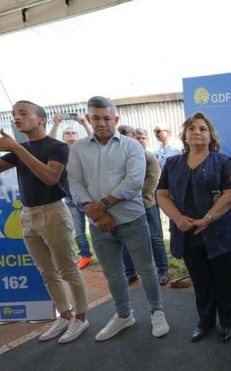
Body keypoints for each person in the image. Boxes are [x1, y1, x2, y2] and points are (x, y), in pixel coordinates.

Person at [0, 100, 89, 343]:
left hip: (53, 211)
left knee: (67, 268)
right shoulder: (21, 148)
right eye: (14, 114)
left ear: (41, 119)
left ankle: (81, 317)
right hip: (27, 214)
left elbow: (50, 178)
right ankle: (65, 316)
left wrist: (16, 148)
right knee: (46, 271)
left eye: (23, 113)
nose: (16, 117)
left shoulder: (57, 147)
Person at [67, 96, 170, 341]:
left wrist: (102, 207)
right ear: (89, 119)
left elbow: (134, 182)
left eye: (106, 118)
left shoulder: (131, 146)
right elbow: (75, 183)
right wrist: (95, 212)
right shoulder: (79, 148)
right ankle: (124, 315)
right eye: (96, 118)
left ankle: (157, 311)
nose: (101, 123)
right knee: (113, 274)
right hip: (98, 225)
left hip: (131, 220)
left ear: (116, 119)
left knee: (146, 270)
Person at [157, 112, 231, 343]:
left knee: (225, 281)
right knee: (201, 281)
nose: (197, 132)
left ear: (211, 136)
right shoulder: (172, 164)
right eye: (192, 128)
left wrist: (208, 218)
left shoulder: (224, 162)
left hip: (220, 232)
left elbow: (230, 193)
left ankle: (228, 323)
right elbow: (161, 194)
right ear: (185, 135)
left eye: (203, 129)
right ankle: (205, 322)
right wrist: (176, 218)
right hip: (187, 233)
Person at [118, 125, 170, 285]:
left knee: (155, 238)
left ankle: (162, 270)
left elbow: (151, 182)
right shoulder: (119, 158)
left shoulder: (149, 158)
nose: (138, 141)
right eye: (135, 137)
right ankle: (130, 272)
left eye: (141, 138)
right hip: (124, 206)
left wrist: (129, 196)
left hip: (147, 204)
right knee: (125, 239)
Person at [50, 114, 94, 269]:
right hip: (70, 197)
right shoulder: (59, 151)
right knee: (79, 230)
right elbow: (49, 140)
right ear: (62, 137)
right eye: (67, 133)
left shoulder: (84, 146)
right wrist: (56, 124)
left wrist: (84, 123)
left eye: (73, 132)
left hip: (90, 196)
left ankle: (103, 252)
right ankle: (85, 255)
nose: (70, 135)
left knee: (96, 226)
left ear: (78, 135)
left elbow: (92, 137)